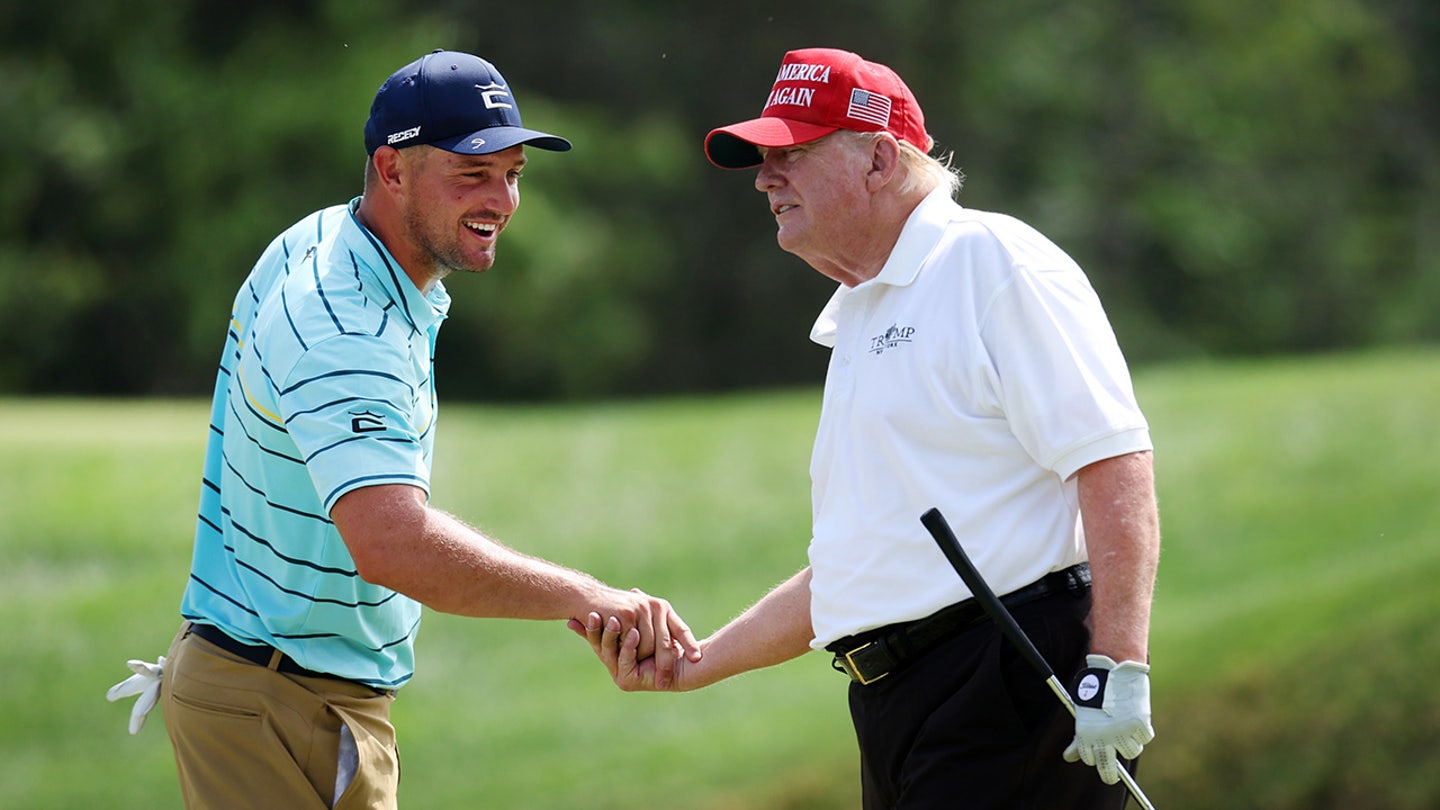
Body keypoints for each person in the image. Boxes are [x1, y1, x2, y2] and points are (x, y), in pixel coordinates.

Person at [107, 49, 700, 810]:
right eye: (472, 174)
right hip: (280, 706)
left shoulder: (334, 242)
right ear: (391, 170)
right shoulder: (342, 321)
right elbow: (392, 543)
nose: (504, 200)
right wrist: (586, 596)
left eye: (512, 173)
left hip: (274, 691)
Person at [574, 47, 1159, 809]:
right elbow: (858, 569)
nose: (764, 179)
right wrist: (700, 662)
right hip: (899, 703)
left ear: (881, 160)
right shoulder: (862, 310)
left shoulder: (992, 263)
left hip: (1012, 672)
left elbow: (1113, 462)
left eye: (792, 154)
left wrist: (1119, 665)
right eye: (763, 160)